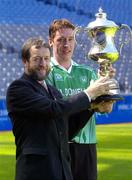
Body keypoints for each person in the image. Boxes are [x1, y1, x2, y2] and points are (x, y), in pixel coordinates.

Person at [6, 37, 116, 180]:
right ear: (25, 61)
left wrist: (92, 107)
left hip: (62, 171)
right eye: (37, 59)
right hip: (36, 173)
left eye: (46, 58)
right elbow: (53, 109)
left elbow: (66, 129)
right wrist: (89, 93)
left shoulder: (53, 91)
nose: (43, 64)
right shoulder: (18, 88)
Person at [47, 19, 115, 180]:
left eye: (70, 39)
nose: (66, 45)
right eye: (61, 39)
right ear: (51, 42)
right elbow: (54, 111)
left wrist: (106, 86)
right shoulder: (45, 73)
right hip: (58, 147)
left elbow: (106, 109)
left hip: (87, 147)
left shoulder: (88, 73)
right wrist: (87, 98)